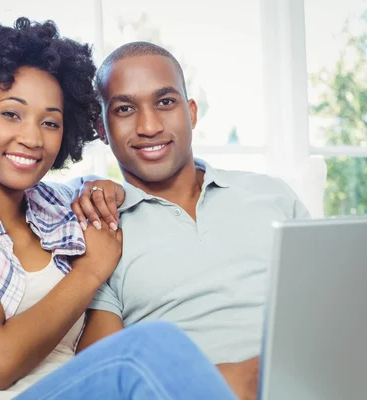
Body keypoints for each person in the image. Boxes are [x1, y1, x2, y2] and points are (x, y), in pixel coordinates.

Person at [0, 19, 237, 400]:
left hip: (72, 388)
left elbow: (100, 193)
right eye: (11, 114)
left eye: (50, 122)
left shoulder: (61, 207)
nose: (32, 138)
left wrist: (106, 188)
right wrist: (89, 271)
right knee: (148, 350)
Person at [70, 41, 310, 400]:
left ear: (192, 112)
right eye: (124, 109)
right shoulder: (102, 230)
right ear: (102, 128)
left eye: (165, 102)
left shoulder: (270, 195)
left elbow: (331, 307)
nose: (149, 126)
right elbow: (105, 375)